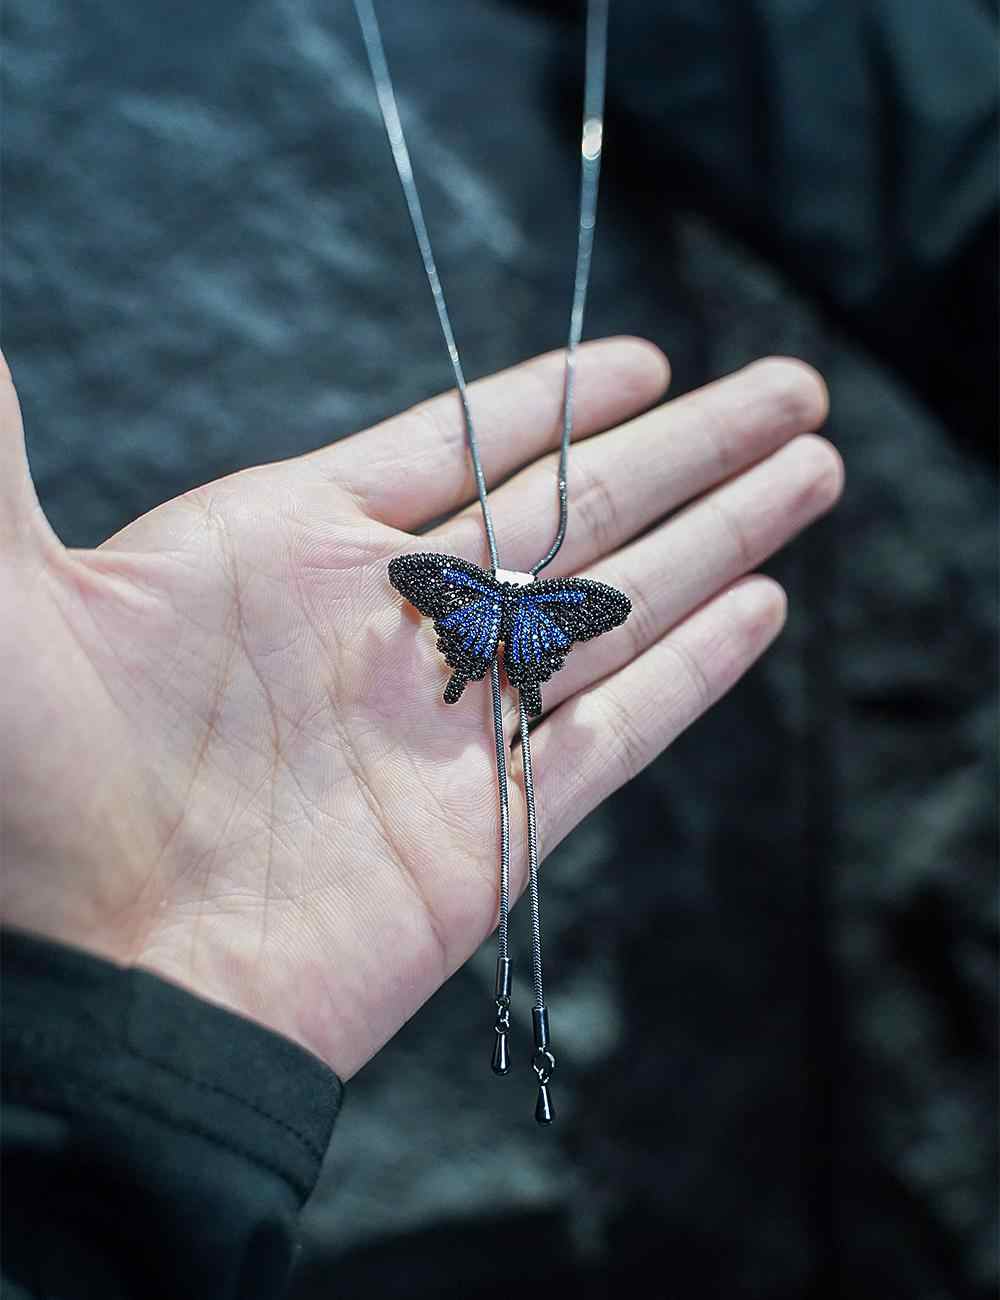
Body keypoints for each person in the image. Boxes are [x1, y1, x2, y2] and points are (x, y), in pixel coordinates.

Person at [0, 338, 842, 1298]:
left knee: (493, 734)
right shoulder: (540, 600)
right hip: (128, 1136)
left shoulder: (478, 590)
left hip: (108, 1112)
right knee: (509, 768)